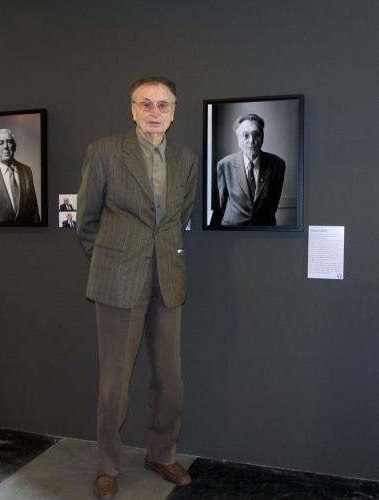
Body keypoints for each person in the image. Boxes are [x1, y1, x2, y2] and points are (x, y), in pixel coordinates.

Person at [77, 76, 198, 499]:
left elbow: (180, 215)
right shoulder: (105, 152)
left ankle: (161, 454)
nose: (154, 112)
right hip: (118, 282)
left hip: (168, 280)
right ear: (132, 109)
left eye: (163, 105)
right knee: (114, 385)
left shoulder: (185, 159)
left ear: (174, 112)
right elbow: (86, 223)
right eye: (145, 104)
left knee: (170, 380)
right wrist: (111, 262)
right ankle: (108, 465)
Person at [216, 113, 285, 225]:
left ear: (262, 137)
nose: (252, 141)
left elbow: (273, 204)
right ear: (238, 140)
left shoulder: (277, 165)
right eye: (246, 135)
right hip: (232, 231)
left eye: (256, 134)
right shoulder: (224, 165)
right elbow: (221, 204)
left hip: (265, 231)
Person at [0, 128, 40, 223]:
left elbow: (34, 210)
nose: (5, 146)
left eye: (9, 142)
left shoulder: (27, 171)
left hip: (25, 235)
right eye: (1, 143)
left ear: (15, 146)